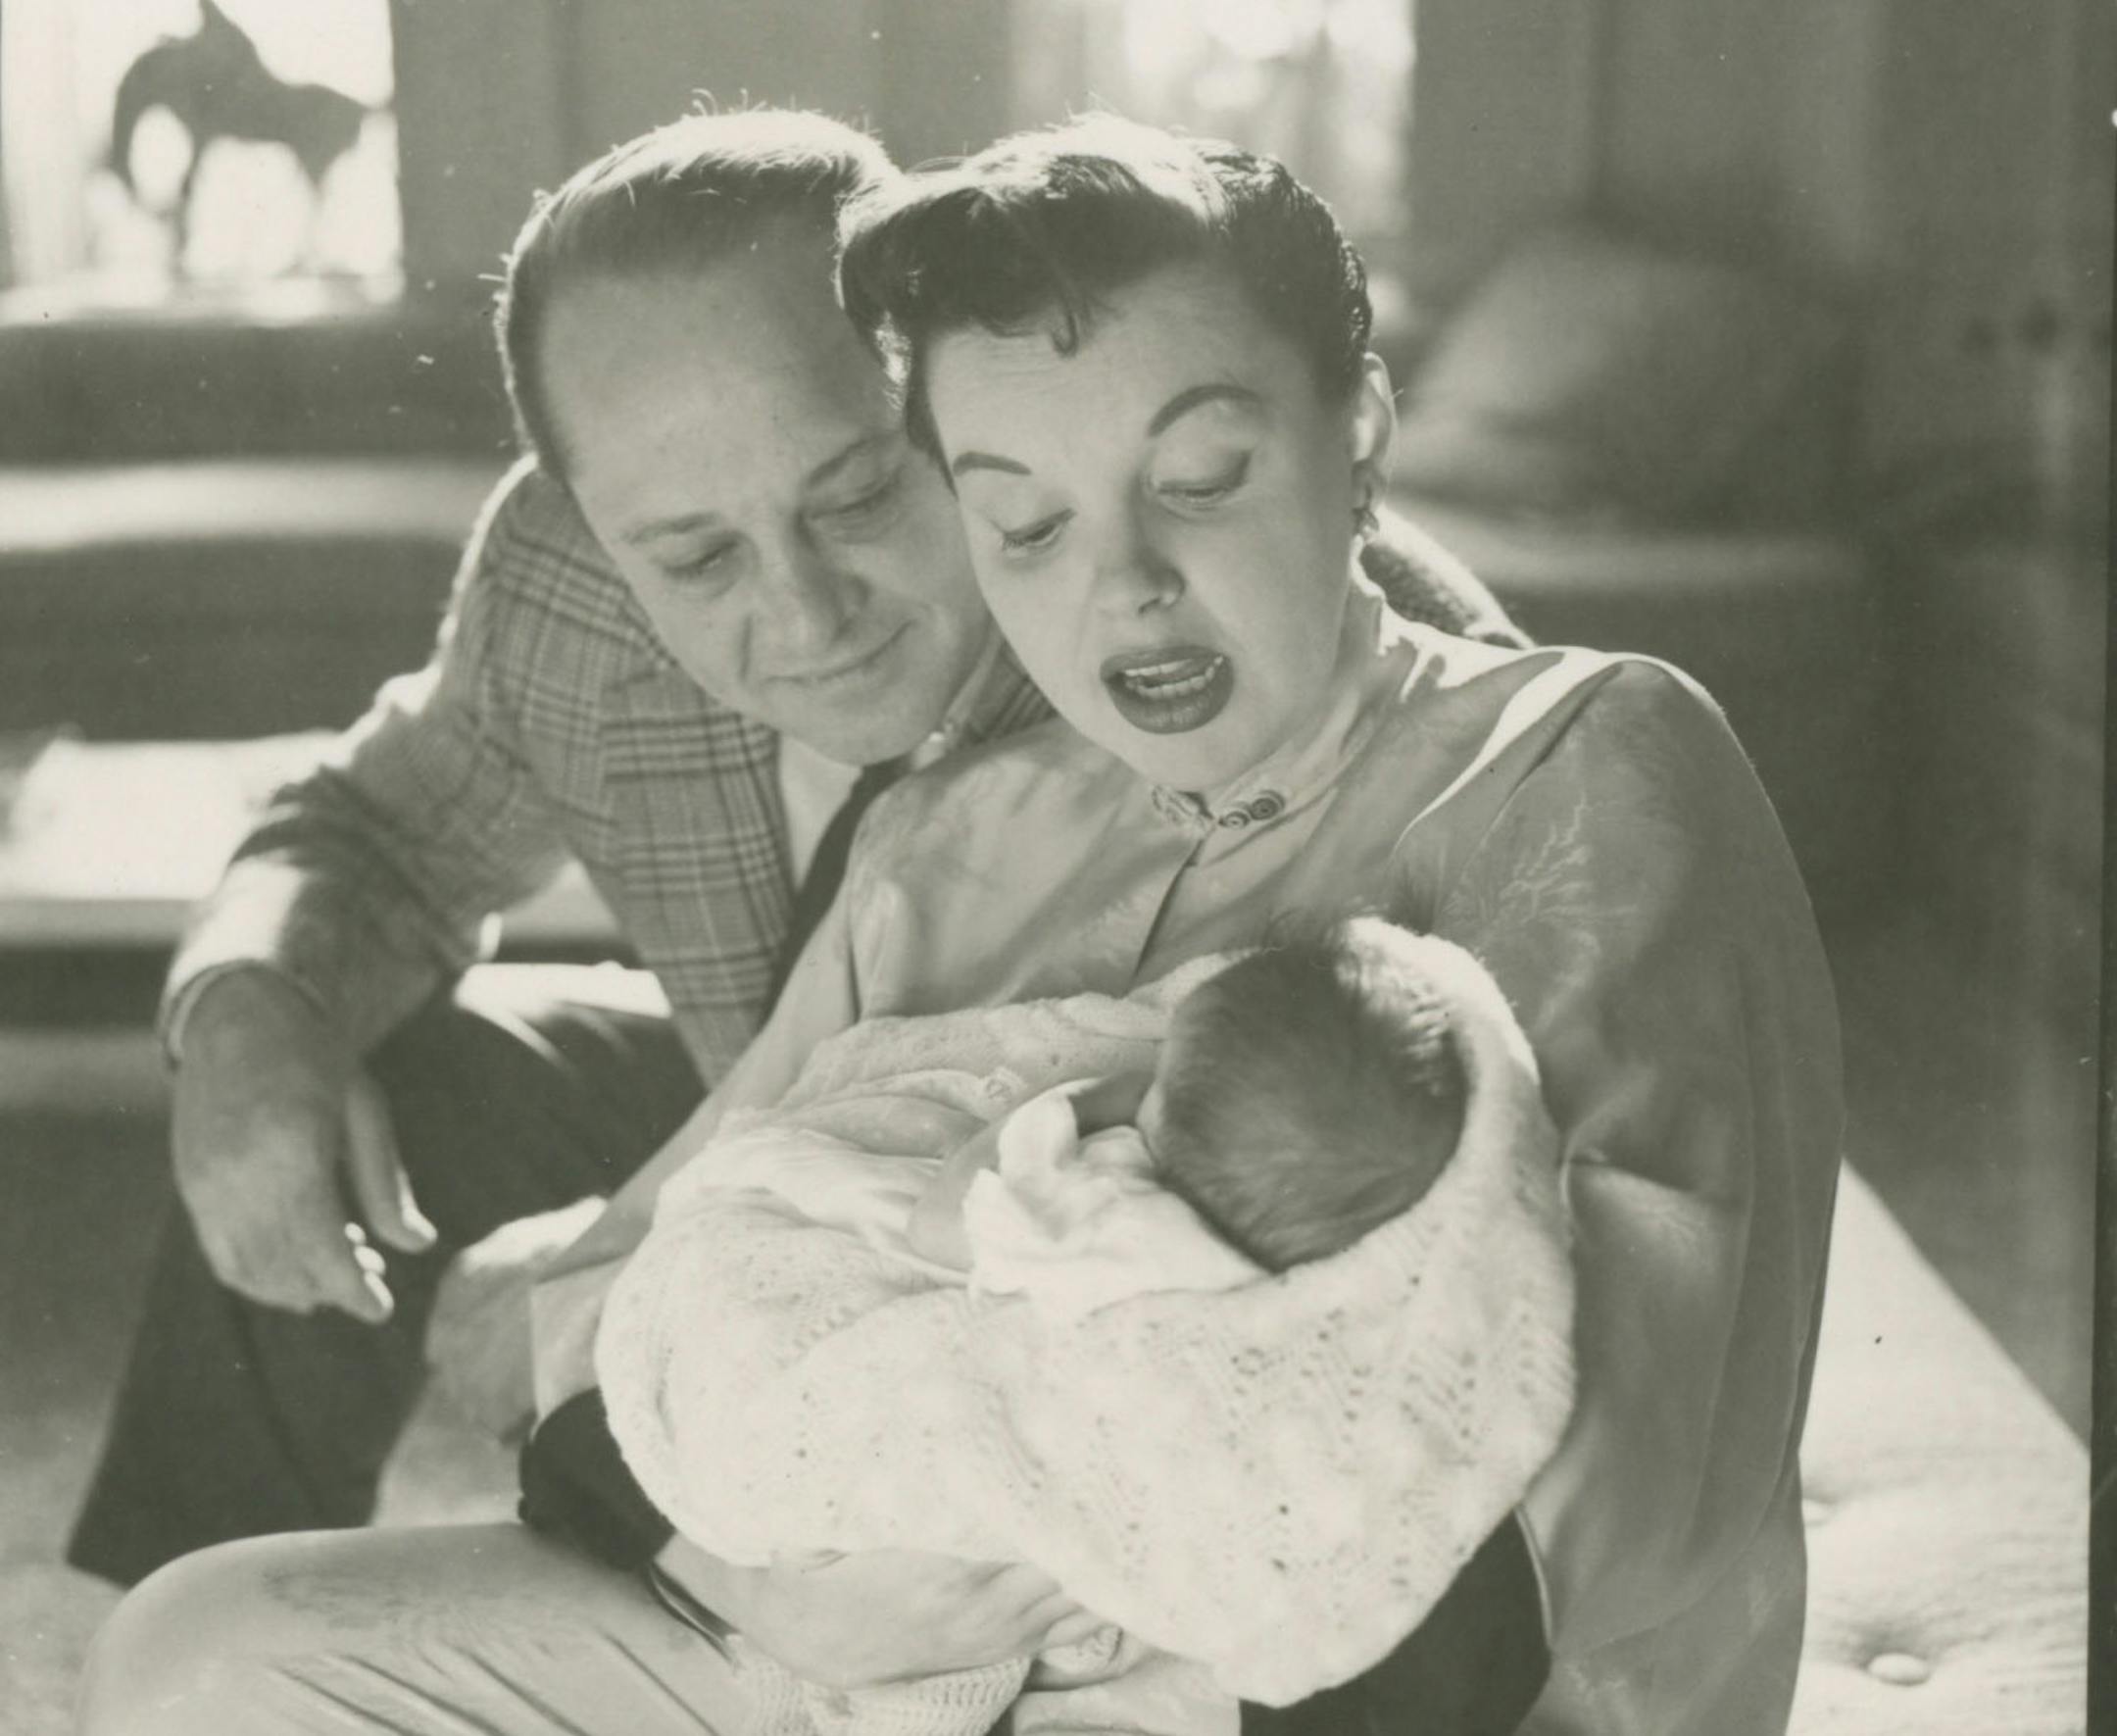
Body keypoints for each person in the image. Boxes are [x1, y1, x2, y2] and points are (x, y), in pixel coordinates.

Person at [77, 116, 1839, 1736]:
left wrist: (1004, 1573)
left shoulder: (1583, 754)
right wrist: (766, 1573)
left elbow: (1591, 1472)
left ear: (1357, 430)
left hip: (1297, 1680)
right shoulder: (952, 832)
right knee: (193, 1656)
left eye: (1204, 477)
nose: (1121, 583)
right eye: (1023, 519)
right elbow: (631, 1293)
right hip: (845, 1634)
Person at [589, 919, 1570, 1736]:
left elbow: (943, 1222)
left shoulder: (1100, 1203)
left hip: (898, 1510)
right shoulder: (1276, 1291)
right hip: (1040, 1612)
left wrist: (1068, 1103)